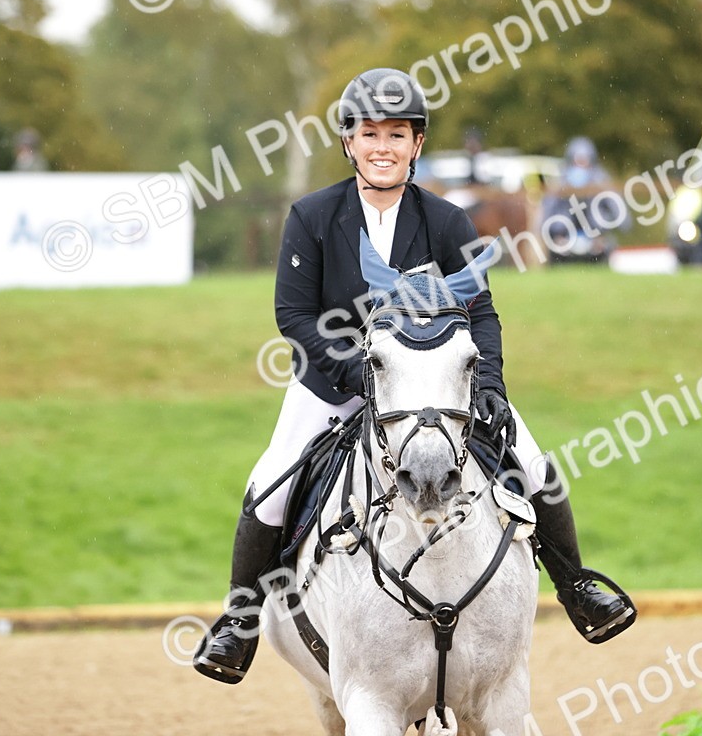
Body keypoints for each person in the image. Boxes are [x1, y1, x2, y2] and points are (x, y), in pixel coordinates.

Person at [193, 68, 636, 685]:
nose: (383, 146)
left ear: (416, 144)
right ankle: (239, 621)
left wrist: (489, 388)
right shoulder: (313, 216)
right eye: (369, 133)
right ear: (348, 141)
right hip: (335, 387)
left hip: (436, 388)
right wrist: (355, 376)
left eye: (396, 134)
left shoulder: (448, 221)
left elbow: (479, 312)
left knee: (533, 462)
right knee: (269, 483)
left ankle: (577, 585)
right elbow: (293, 314)